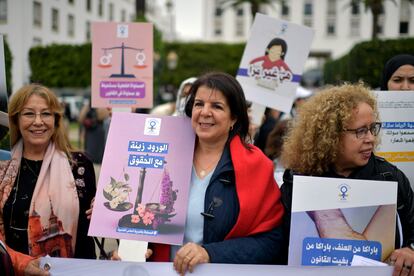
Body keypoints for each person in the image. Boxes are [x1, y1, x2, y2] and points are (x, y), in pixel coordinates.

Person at [108, 73, 284, 273]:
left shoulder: (257, 166)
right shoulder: (161, 157)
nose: (205, 112)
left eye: (217, 106)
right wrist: (133, 248)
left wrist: (211, 253)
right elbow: (140, 221)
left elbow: (272, 242)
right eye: (199, 104)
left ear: (234, 117)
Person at [279, 83, 414, 274]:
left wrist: (410, 250)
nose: (371, 139)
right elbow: (278, 247)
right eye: (360, 131)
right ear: (331, 135)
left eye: (372, 129)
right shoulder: (298, 180)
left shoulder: (391, 177)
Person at [0, 84, 96, 259]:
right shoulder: (2, 165)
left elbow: (89, 230)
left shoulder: (79, 165)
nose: (38, 122)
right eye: (29, 113)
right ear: (16, 120)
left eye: (46, 113)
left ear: (56, 120)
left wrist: (103, 212)